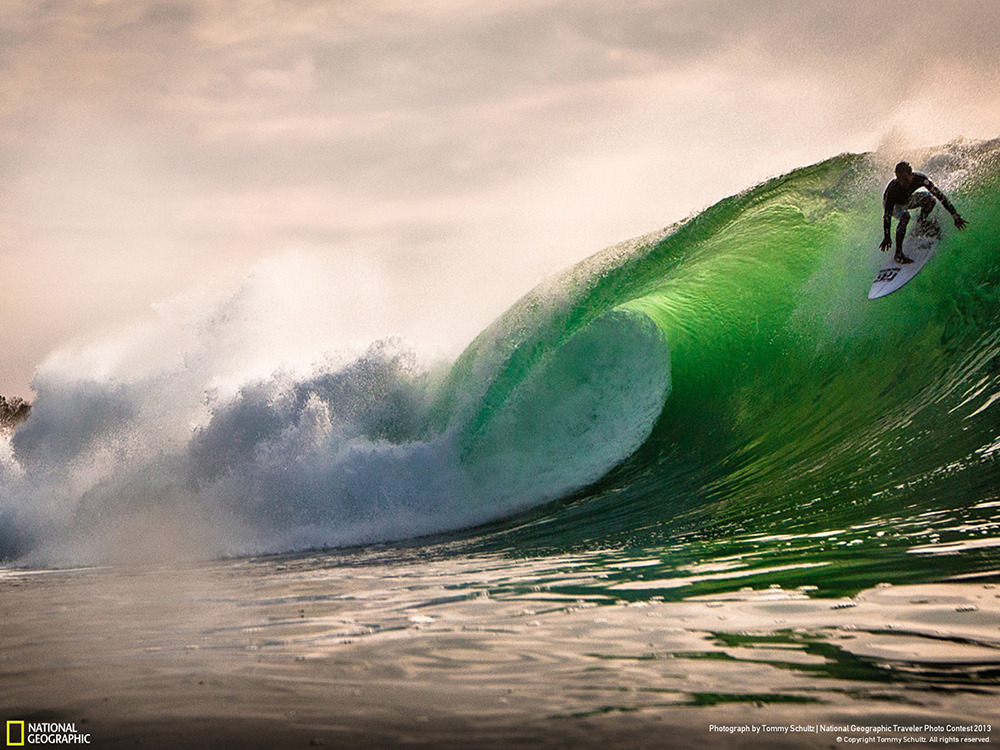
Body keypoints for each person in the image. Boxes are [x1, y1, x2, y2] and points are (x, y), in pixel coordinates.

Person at [880, 161, 967, 264]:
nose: (902, 182)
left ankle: (922, 223)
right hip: (893, 206)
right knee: (905, 217)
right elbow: (887, 215)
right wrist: (887, 236)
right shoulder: (893, 190)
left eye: (905, 179)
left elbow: (940, 196)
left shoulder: (920, 179)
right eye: (899, 179)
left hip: (907, 200)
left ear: (911, 175)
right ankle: (898, 254)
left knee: (930, 200)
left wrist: (955, 215)